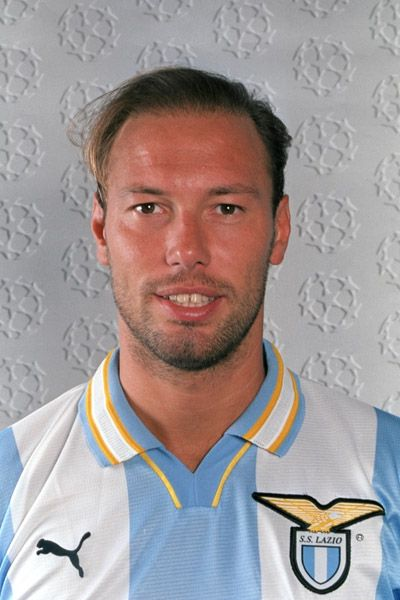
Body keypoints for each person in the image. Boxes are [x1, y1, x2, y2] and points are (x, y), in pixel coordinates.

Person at [0, 67, 399, 600]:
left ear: (279, 229)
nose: (186, 250)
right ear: (101, 230)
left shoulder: (388, 466)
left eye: (226, 208)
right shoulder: (12, 479)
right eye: (148, 208)